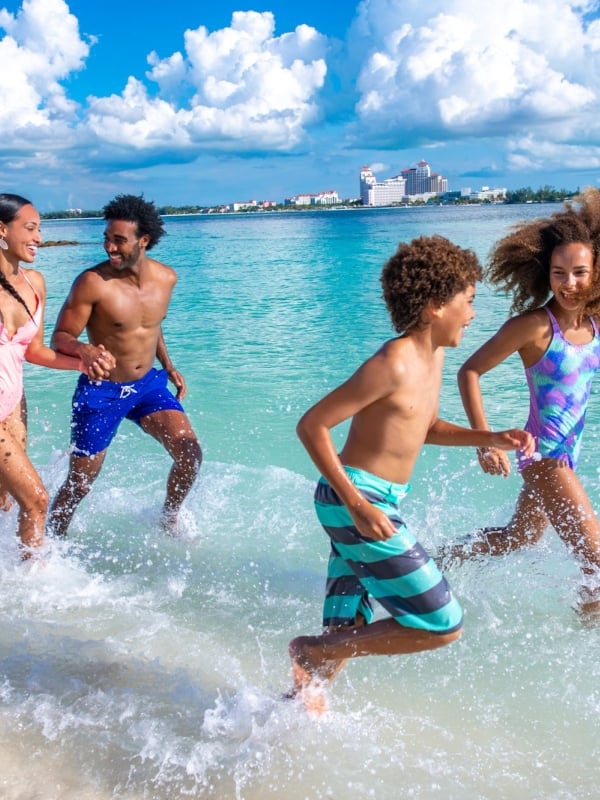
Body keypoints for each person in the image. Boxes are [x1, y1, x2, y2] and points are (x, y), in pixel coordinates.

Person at [287, 235, 534, 714]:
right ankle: (309, 652)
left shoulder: (434, 356)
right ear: (436, 306)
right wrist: (358, 506)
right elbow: (312, 425)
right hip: (355, 499)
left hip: (370, 500)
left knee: (346, 630)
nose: (473, 314)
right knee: (442, 623)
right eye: (469, 302)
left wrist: (491, 437)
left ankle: (286, 717)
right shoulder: (392, 362)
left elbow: (425, 427)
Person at [442, 189, 600, 612]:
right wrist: (486, 440)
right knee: (599, 566)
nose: (570, 284)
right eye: (559, 273)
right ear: (543, 273)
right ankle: (586, 646)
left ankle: (430, 564)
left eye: (580, 272)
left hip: (569, 454)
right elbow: (469, 371)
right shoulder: (534, 327)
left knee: (519, 537)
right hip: (545, 457)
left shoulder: (595, 323)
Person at [47, 194, 202, 537]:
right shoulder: (92, 283)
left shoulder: (167, 279)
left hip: (147, 385)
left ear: (143, 240)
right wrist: (83, 350)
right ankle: (47, 546)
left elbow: (150, 324)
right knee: (80, 484)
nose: (109, 248)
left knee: (190, 455)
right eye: (107, 239)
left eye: (119, 240)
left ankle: (168, 517)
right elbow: (60, 336)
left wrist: (168, 364)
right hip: (101, 391)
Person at [0, 193, 112, 558]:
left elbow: (33, 352)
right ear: (2, 229)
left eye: (40, 229)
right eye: (30, 228)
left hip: (13, 406)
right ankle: (36, 591)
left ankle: (14, 585)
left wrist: (82, 363)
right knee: (37, 499)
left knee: (8, 500)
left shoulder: (35, 283)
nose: (38, 238)